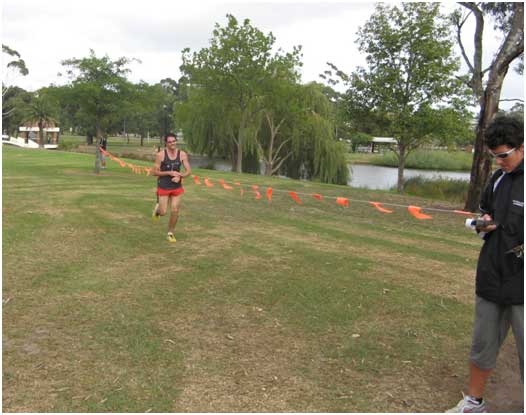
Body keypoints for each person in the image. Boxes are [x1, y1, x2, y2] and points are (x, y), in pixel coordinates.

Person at [447, 115, 523, 413]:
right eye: (495, 157)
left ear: (522, 147)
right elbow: (486, 215)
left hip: (522, 283)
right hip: (492, 275)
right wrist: (484, 225)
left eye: (504, 155)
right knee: (482, 345)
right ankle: (474, 403)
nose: (500, 161)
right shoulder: (497, 179)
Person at [152, 133, 191, 243]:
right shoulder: (161, 155)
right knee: (163, 212)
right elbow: (154, 172)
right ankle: (157, 209)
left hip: (176, 186)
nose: (172, 143)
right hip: (164, 185)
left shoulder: (182, 154)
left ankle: (170, 233)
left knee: (175, 210)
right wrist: (169, 172)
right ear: (166, 143)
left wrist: (180, 176)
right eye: (170, 142)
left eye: (174, 141)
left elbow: (188, 171)